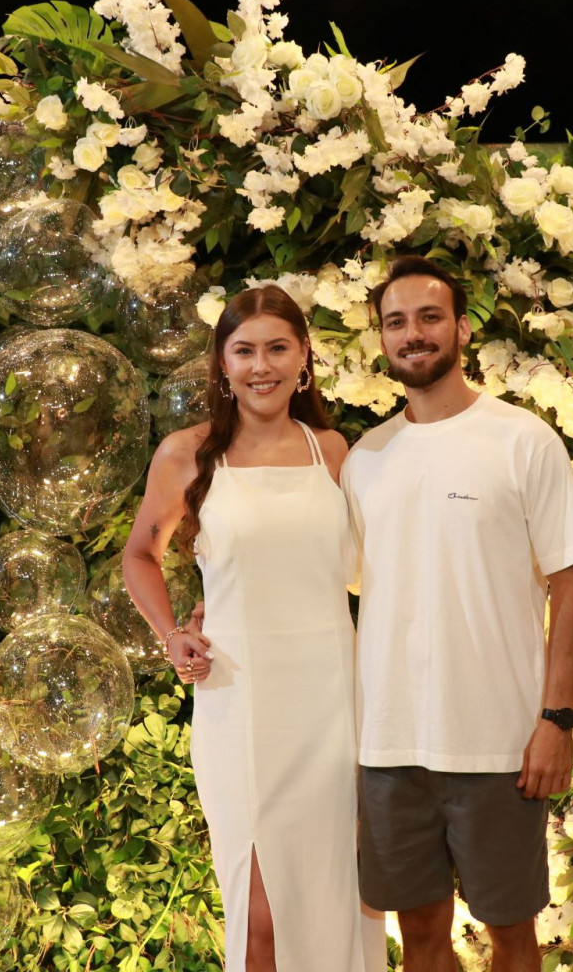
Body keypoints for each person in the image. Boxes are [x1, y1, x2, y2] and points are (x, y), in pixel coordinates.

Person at [341, 255, 573, 972]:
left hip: (499, 746)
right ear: (382, 338)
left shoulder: (522, 439)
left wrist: (556, 720)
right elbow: (335, 585)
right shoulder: (366, 458)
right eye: (396, 321)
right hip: (390, 745)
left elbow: (570, 584)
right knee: (420, 937)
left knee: (512, 938)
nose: (413, 333)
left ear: (461, 328)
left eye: (430, 317)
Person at [122, 285, 384, 972]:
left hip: (333, 701)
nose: (261, 366)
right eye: (244, 350)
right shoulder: (186, 454)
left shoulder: (333, 451)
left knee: (337, 892)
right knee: (259, 911)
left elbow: (370, 572)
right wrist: (173, 633)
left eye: (277, 348)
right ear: (222, 362)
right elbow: (140, 554)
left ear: (303, 358)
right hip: (237, 700)